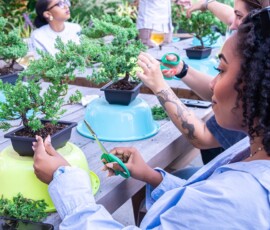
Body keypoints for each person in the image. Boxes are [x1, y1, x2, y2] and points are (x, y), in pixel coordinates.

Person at [33, 7, 270, 228]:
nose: (212, 82)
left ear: (259, 84)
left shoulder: (238, 200)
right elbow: (197, 207)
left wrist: (66, 184)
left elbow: (210, 206)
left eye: (221, 69)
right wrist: (151, 175)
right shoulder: (253, 150)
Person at [161, 0, 267, 152]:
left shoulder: (249, 103)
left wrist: (159, 86)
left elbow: (203, 137)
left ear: (258, 17)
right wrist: (183, 69)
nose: (232, 25)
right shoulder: (259, 65)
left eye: (222, 70)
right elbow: (220, 89)